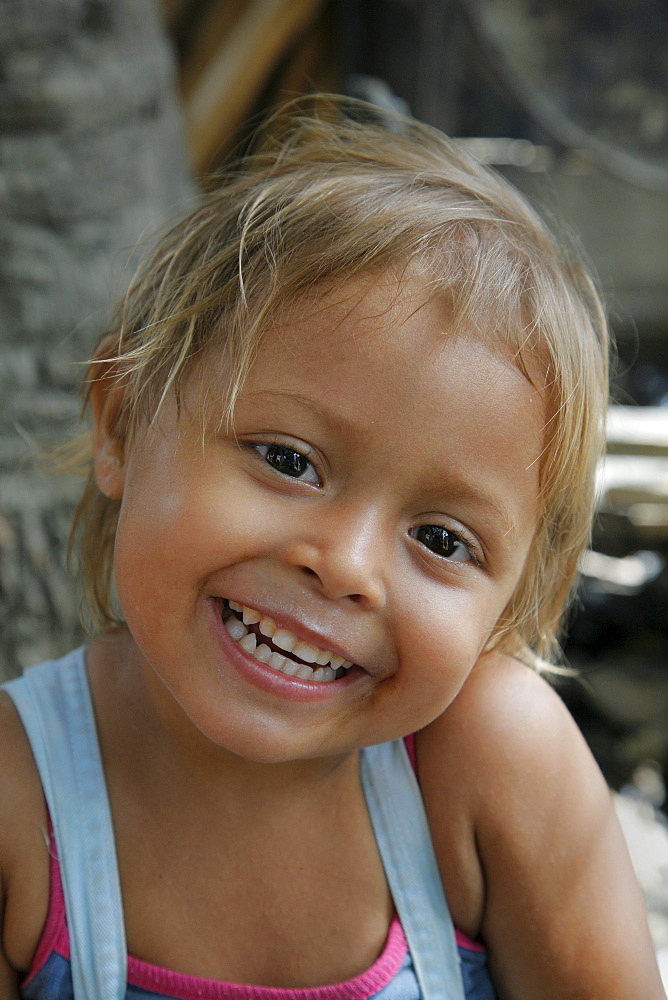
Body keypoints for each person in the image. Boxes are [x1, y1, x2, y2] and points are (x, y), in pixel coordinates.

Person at [0, 96, 663, 1000]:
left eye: (440, 538)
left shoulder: (490, 767)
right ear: (123, 423)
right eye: (287, 460)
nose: (345, 564)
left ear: (510, 603)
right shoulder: (19, 799)